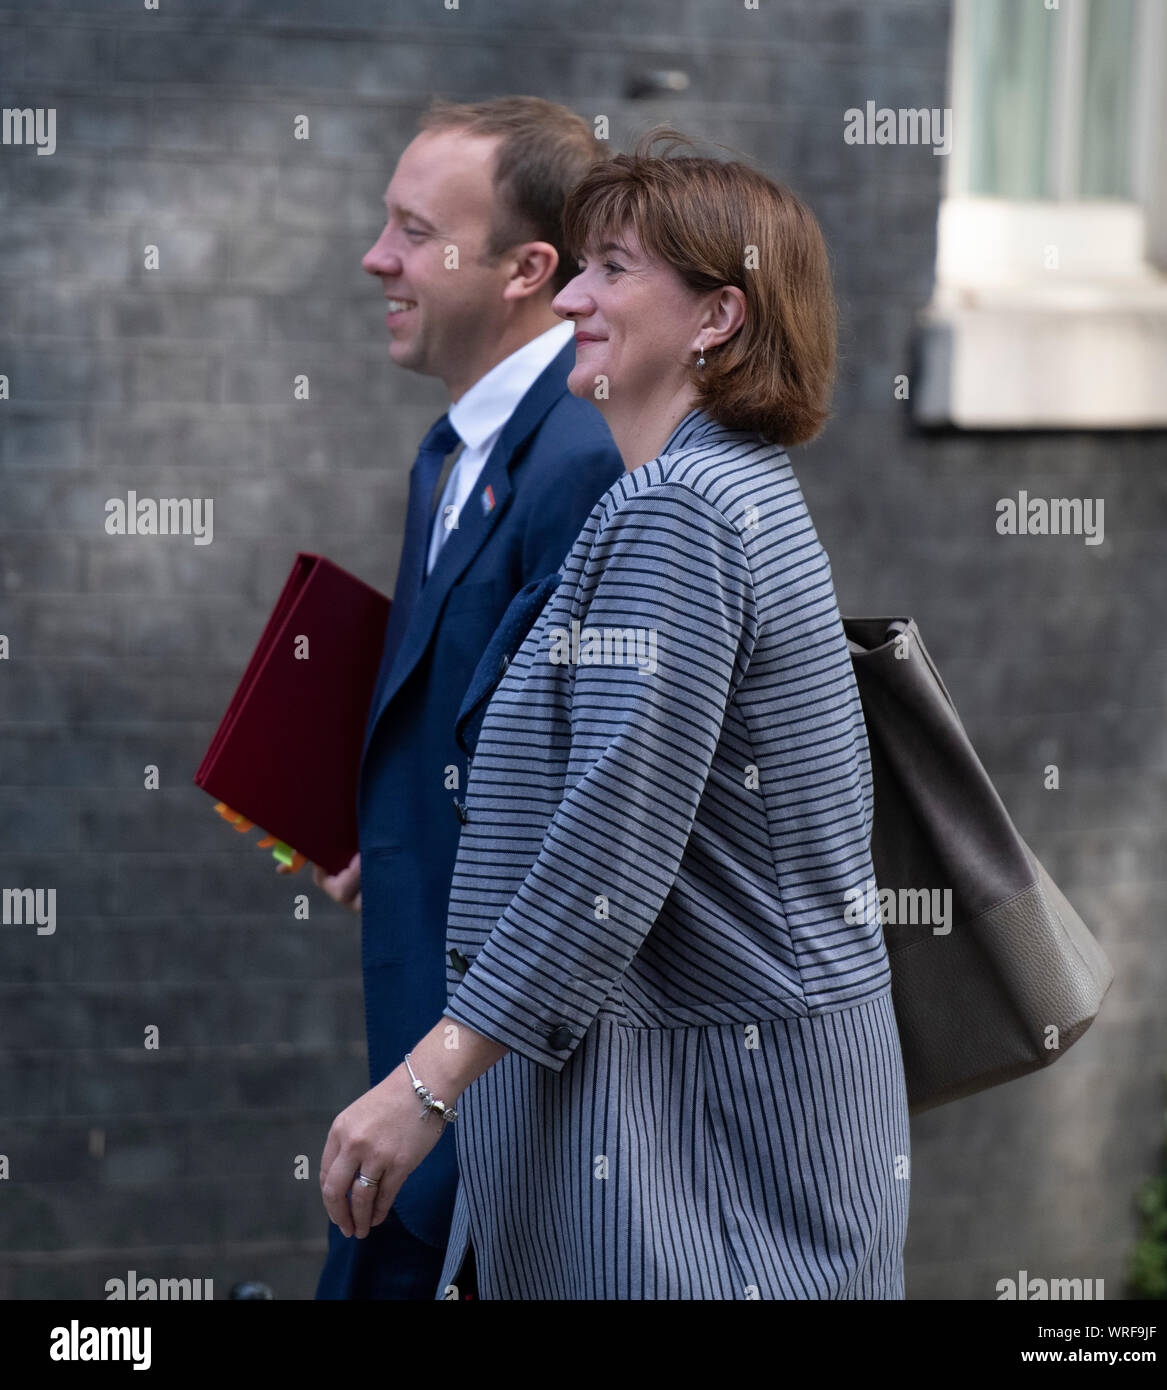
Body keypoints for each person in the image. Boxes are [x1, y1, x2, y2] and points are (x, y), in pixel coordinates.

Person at [319, 128, 910, 1299]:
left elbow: (610, 845)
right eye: (580, 264)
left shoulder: (681, 514)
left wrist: (424, 1082)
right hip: (704, 1112)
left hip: (705, 1141)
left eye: (614, 269)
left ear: (717, 319)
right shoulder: (709, 491)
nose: (576, 296)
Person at [310, 97, 623, 1300]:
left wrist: (436, 1094)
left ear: (526, 270)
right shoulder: (451, 449)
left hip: (487, 1109)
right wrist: (385, 838)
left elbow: (590, 819)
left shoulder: (581, 461)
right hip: (420, 1058)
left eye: (412, 230)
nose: (376, 257)